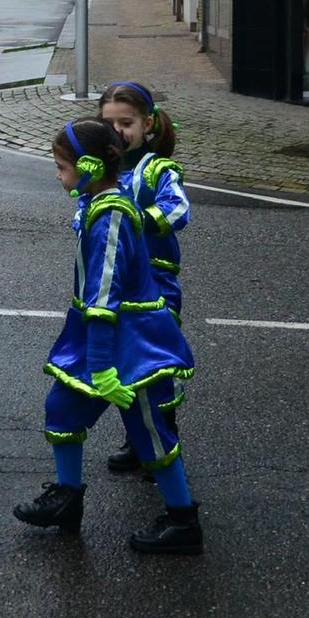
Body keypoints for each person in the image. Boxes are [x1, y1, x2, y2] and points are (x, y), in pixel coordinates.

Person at [15, 120, 202, 554]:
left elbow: (104, 288)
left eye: (61, 166)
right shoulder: (95, 200)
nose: (57, 174)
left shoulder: (112, 213)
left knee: (150, 433)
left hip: (131, 341)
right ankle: (67, 498)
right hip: (100, 336)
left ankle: (183, 519)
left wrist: (101, 363)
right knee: (61, 409)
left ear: (87, 166)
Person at [95, 82, 191, 475]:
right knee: (124, 362)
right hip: (118, 286)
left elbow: (178, 209)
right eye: (108, 123)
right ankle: (138, 435)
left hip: (155, 285)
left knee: (155, 365)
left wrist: (134, 221)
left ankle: (163, 434)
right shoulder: (103, 171)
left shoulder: (156, 170)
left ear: (147, 124)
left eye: (126, 122)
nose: (117, 130)